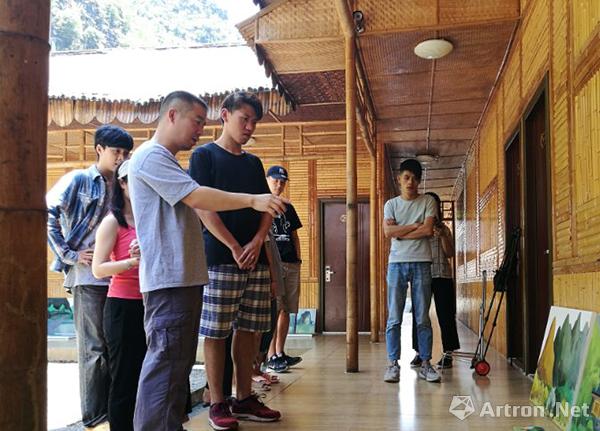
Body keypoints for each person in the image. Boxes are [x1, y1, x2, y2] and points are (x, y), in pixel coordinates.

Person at [128, 90, 285, 431]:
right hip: (171, 279)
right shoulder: (153, 157)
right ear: (172, 115)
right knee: (167, 363)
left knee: (174, 364)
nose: (201, 128)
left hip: (182, 277)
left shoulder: (165, 159)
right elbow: (199, 198)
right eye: (196, 121)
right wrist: (253, 201)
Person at [188, 91, 282, 431]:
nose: (250, 127)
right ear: (225, 115)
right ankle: (217, 402)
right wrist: (232, 245)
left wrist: (256, 242)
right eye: (245, 119)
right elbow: (201, 205)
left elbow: (266, 205)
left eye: (254, 122)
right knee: (216, 331)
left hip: (254, 258)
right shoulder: (204, 156)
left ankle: (244, 397)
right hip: (219, 258)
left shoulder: (253, 163)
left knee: (251, 329)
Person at [47, 125, 134, 429]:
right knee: (94, 348)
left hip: (120, 278)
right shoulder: (79, 179)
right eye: (116, 152)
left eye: (126, 153)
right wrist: (70, 254)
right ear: (99, 149)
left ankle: (112, 410)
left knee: (115, 347)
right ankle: (94, 415)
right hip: (88, 277)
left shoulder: (124, 184)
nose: (121, 158)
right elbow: (48, 213)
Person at [92, 160, 145, 431]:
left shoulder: (149, 218)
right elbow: (98, 268)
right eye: (130, 179)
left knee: (145, 376)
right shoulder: (112, 222)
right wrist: (130, 263)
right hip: (122, 306)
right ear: (122, 183)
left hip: (151, 304)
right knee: (123, 378)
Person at [382, 158, 441, 384]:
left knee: (422, 317)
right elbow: (388, 232)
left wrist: (401, 231)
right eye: (406, 177)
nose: (411, 182)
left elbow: (427, 230)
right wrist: (415, 226)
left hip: (422, 263)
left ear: (419, 181)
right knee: (394, 317)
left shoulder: (427, 201)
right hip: (396, 264)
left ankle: (426, 363)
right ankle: (392, 364)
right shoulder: (391, 204)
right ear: (399, 180)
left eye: (415, 178)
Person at [409, 192, 460, 369]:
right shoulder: (418, 227)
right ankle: (419, 353)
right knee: (419, 315)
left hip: (442, 275)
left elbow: (450, 254)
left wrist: (443, 236)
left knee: (446, 315)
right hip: (421, 275)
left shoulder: (444, 228)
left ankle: (448, 354)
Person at [265, 166, 303, 372]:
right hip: (273, 264)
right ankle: (270, 356)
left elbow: (295, 235)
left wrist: (299, 259)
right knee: (275, 309)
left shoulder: (288, 207)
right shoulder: (261, 205)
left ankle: (280, 352)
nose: (279, 185)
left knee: (287, 309)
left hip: (291, 262)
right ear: (267, 180)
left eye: (282, 181)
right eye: (275, 180)